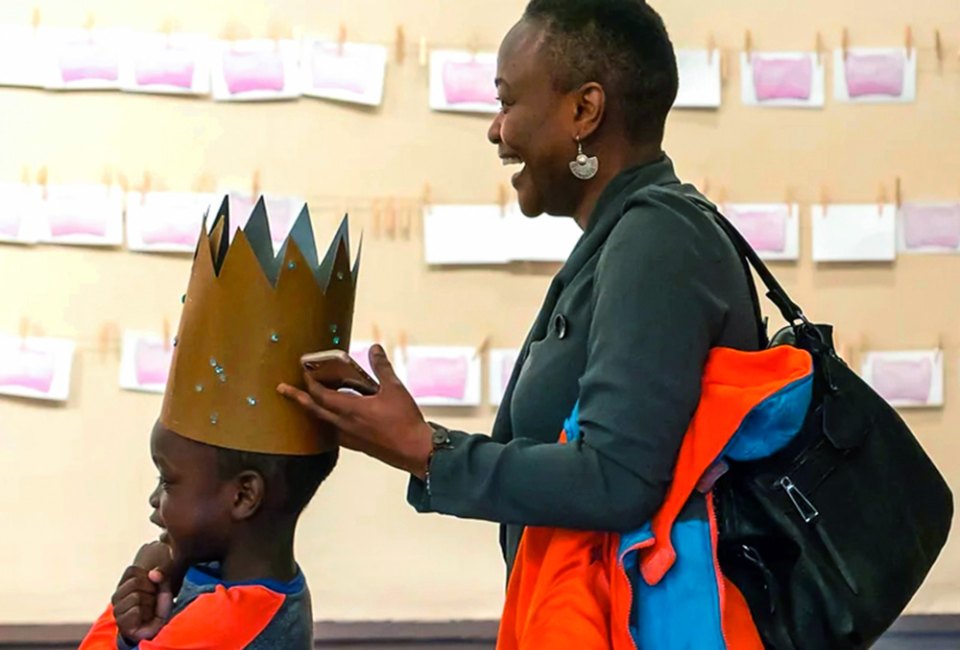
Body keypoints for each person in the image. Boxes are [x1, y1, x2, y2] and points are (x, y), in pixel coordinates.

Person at [279, 0, 765, 644]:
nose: (495, 130)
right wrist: (413, 437)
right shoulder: (625, 236)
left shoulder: (658, 239)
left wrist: (427, 450)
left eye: (507, 102)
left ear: (583, 112)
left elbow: (617, 480)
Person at [80, 199, 358, 649]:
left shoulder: (224, 626)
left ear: (244, 494)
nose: (154, 500)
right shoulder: (263, 590)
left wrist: (122, 620)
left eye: (168, 481)